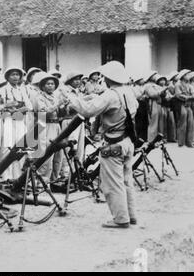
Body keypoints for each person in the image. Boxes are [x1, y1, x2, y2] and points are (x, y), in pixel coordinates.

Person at [64, 61, 138, 228]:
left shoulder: (110, 95)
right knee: (127, 181)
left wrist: (72, 98)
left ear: (108, 78)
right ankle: (131, 215)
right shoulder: (129, 91)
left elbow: (88, 110)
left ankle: (120, 219)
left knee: (113, 183)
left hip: (113, 143)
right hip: (127, 140)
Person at [0, 67, 33, 180]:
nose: (15, 77)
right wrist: (15, 109)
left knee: (20, 147)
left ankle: (17, 176)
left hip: (20, 120)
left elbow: (29, 106)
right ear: (7, 77)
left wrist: (19, 109)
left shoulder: (22, 90)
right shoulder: (3, 89)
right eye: (12, 75)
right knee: (7, 146)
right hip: (8, 120)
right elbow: (3, 107)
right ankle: (6, 176)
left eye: (17, 75)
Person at [31, 72, 64, 183]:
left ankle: (54, 178)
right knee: (46, 154)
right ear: (43, 86)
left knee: (58, 154)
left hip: (56, 125)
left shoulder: (55, 97)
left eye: (52, 84)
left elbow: (61, 114)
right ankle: (42, 181)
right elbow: (43, 113)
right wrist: (58, 104)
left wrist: (65, 105)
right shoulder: (39, 97)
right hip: (45, 125)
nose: (50, 86)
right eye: (48, 84)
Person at [174, 70, 194, 148]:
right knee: (182, 123)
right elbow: (178, 95)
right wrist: (189, 97)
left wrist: (192, 96)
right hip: (181, 104)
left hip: (188, 105)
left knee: (190, 123)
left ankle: (189, 142)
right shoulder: (178, 84)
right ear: (183, 76)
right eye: (187, 74)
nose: (189, 75)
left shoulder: (189, 85)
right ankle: (181, 142)